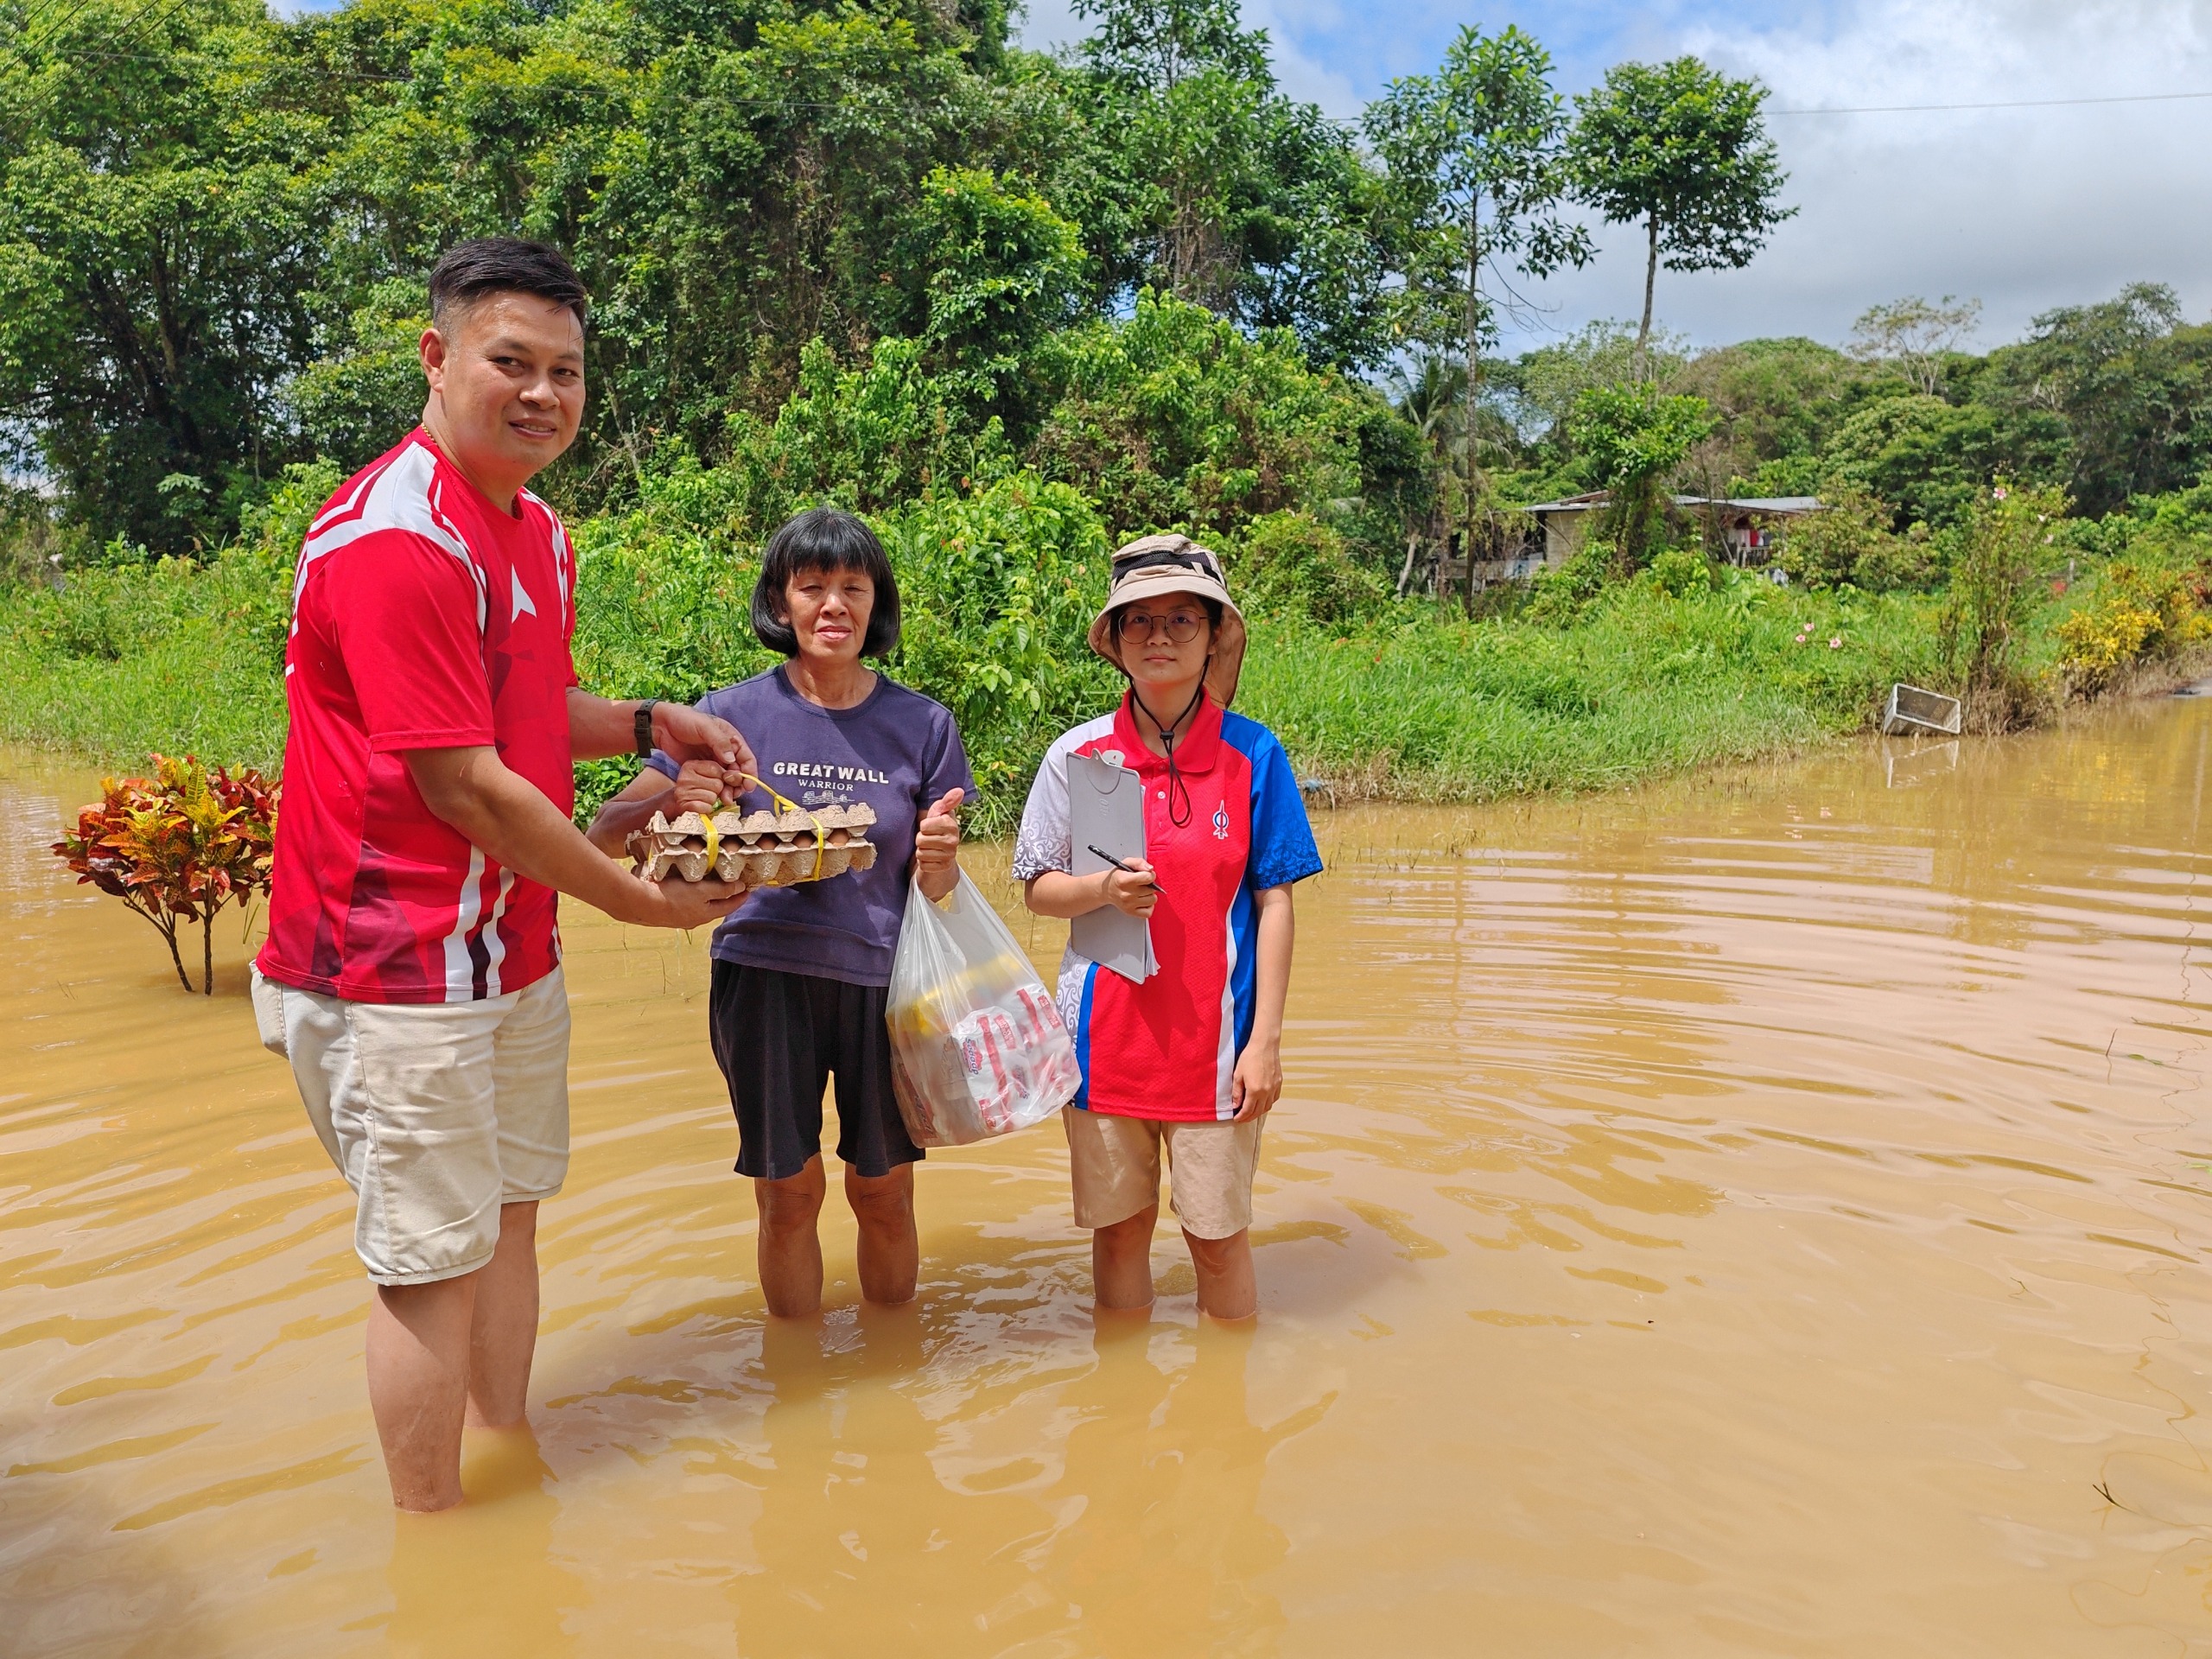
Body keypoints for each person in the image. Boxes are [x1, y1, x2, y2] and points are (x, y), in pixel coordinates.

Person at [249, 237, 757, 1513]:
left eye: (566, 372)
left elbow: (524, 710)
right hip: (393, 967)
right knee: (430, 1262)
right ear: (436, 357)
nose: (542, 394)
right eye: (511, 363)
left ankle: (507, 1458)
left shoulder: (538, 533)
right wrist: (638, 899)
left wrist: (647, 722)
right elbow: (463, 785)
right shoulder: (397, 538)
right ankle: (433, 1541)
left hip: (510, 950)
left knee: (512, 1215)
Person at [588, 507, 973, 1319]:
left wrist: (941, 861)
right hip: (763, 977)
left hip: (883, 984)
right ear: (779, 602)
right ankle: (792, 1369)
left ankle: (894, 1368)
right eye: (812, 587)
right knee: (787, 1197)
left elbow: (935, 890)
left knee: (885, 1194)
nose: (834, 605)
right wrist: (677, 802)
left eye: (854, 587)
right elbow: (606, 833)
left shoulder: (924, 726)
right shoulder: (727, 716)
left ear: (877, 604)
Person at [1014, 534, 1322, 1320]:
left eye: (1182, 619)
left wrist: (1266, 1042)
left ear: (1215, 634)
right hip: (1102, 1044)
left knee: (1218, 1240)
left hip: (1216, 1047)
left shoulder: (1254, 755)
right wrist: (1102, 890)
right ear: (1115, 640)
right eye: (1139, 620)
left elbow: (1275, 901)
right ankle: (1120, 1391)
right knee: (1119, 1236)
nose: (1159, 636)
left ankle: (1228, 1394)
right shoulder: (1078, 756)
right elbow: (1037, 890)